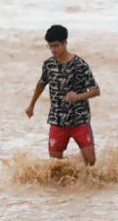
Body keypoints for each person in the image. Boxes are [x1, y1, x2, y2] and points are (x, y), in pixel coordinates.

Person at [25, 24, 101, 166]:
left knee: (91, 163)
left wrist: (78, 97)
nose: (53, 50)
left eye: (56, 46)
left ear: (65, 43)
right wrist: (31, 105)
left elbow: (96, 91)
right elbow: (41, 83)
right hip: (57, 120)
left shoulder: (79, 64)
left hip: (80, 120)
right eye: (50, 46)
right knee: (54, 166)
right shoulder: (48, 65)